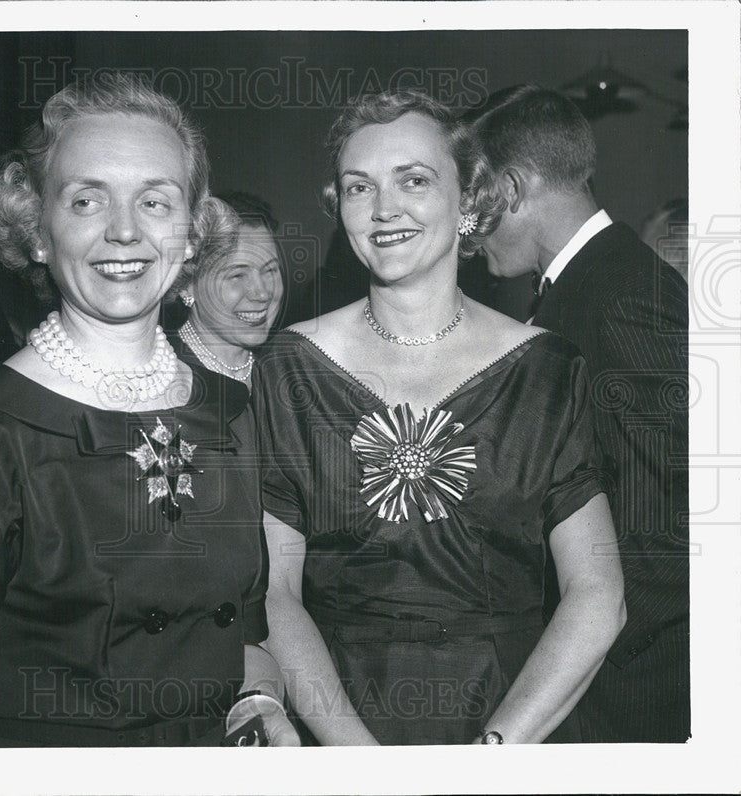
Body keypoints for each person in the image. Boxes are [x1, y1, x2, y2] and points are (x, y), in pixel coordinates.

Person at [0, 75, 298, 748]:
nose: (126, 231)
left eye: (156, 202)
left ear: (191, 235)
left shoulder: (226, 412)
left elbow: (242, 636)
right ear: (37, 231)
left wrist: (259, 703)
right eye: (86, 200)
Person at [253, 89, 626, 745]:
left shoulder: (547, 368)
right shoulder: (289, 366)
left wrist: (494, 754)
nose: (385, 208)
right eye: (358, 187)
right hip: (339, 722)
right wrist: (357, 764)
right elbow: (274, 591)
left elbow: (598, 594)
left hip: (510, 721)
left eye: (414, 180)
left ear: (470, 200)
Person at [469, 85, 690, 743]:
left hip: (624, 695)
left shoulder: (621, 297)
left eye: (472, 204)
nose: (468, 233)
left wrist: (571, 651)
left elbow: (670, 529)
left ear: (510, 188)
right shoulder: (583, 288)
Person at [169, 191, 284, 388]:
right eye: (237, 275)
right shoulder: (162, 377)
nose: (262, 293)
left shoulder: (286, 371)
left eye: (270, 270)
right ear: (187, 285)